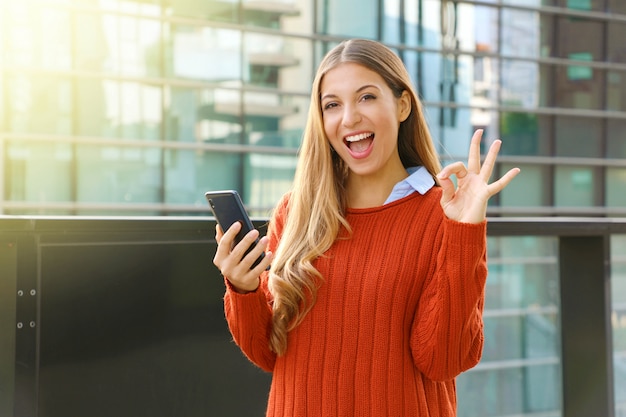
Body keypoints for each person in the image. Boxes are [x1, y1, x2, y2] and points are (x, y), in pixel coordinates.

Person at [213, 38, 520, 417]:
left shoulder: (446, 214)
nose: (349, 118)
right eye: (332, 105)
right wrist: (243, 289)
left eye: (367, 97)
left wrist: (464, 233)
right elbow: (267, 352)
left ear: (402, 105)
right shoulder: (296, 211)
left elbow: (444, 360)